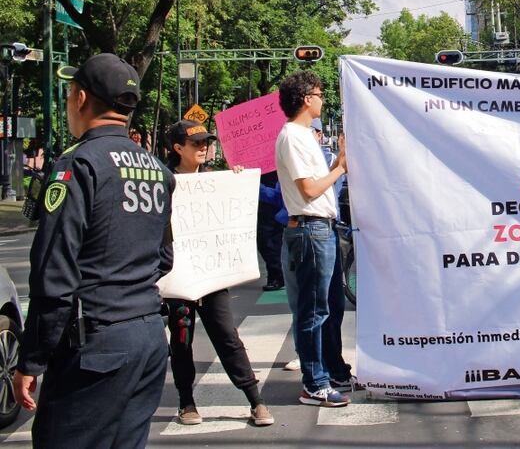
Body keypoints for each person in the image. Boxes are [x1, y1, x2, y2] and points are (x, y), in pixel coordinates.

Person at [13, 53, 174, 448]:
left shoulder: (78, 165)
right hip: (148, 337)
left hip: (95, 346)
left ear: (80, 98)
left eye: (69, 93)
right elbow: (165, 257)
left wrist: (33, 358)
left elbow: (53, 272)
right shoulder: (156, 169)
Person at [162, 120, 274, 427]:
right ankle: (187, 402)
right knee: (181, 339)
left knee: (227, 336)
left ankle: (255, 400)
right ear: (177, 148)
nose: (203, 147)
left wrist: (236, 182)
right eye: (195, 143)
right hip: (178, 277)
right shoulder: (164, 182)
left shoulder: (215, 180)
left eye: (205, 142)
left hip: (212, 274)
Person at [275, 71, 356, 406]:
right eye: (320, 94)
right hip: (310, 229)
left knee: (332, 306)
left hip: (323, 227)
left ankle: (335, 370)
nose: (324, 100)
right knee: (313, 310)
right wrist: (340, 168)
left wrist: (337, 163)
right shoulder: (292, 136)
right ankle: (314, 382)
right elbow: (308, 189)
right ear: (307, 98)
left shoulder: (306, 135)